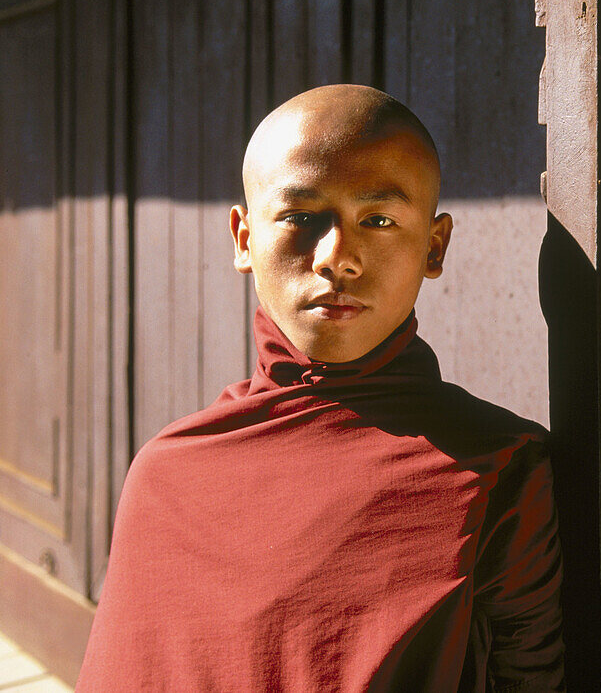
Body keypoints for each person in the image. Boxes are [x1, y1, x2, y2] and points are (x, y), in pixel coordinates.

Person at [77, 85, 565, 692]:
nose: (337, 257)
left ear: (434, 246)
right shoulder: (169, 475)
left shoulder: (498, 464)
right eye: (302, 217)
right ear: (244, 238)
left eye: (379, 219)